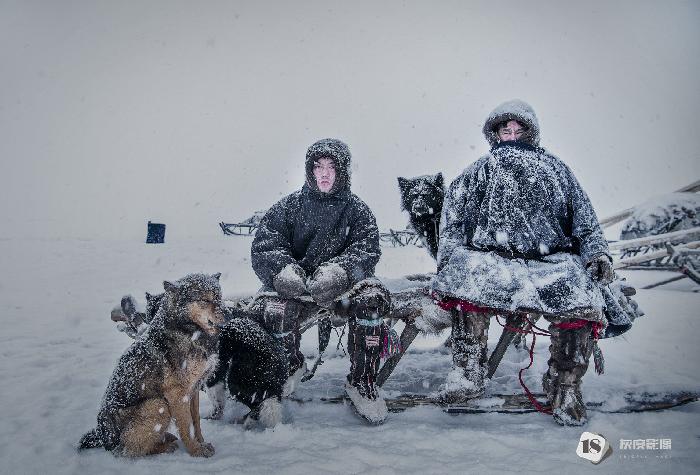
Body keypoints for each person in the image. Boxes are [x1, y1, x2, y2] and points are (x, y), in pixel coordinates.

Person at [431, 100, 614, 426]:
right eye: (506, 131)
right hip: (493, 261)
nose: (513, 137)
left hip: (550, 263)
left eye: (519, 130)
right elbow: (453, 222)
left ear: (531, 133)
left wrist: (597, 254)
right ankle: (468, 371)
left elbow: (585, 221)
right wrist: (450, 258)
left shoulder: (556, 170)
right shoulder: (479, 171)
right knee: (465, 283)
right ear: (495, 135)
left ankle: (565, 384)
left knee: (581, 298)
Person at [250, 138, 391, 424]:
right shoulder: (288, 207)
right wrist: (283, 272)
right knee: (273, 310)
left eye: (331, 167)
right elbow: (266, 245)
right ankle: (289, 366)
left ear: (343, 171)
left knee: (372, 303)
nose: (324, 173)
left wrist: (341, 272)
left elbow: (367, 249)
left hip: (344, 290)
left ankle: (362, 381)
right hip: (298, 288)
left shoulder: (358, 211)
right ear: (309, 170)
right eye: (318, 166)